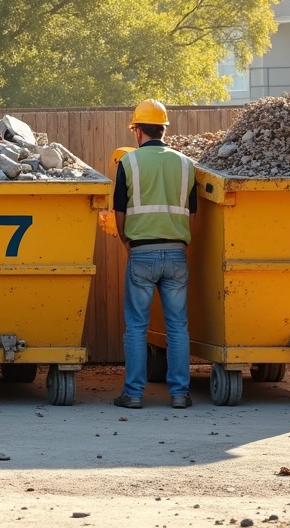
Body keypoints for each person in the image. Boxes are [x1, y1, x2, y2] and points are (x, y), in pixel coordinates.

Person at [112, 99, 197, 410]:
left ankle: (133, 394)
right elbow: (192, 214)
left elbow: (119, 211)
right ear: (164, 129)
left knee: (137, 326)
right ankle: (180, 394)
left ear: (137, 130)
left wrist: (126, 241)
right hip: (176, 253)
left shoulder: (129, 163)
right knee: (177, 327)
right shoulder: (186, 164)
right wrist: (181, 243)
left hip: (141, 253)